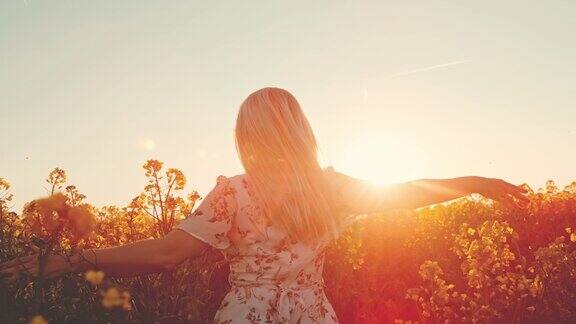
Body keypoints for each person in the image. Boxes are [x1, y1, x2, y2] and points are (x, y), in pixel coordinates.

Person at [0, 87, 528, 323]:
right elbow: (410, 192)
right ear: (302, 129)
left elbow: (166, 255)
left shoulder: (234, 191)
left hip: (245, 316)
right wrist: (477, 181)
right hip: (313, 316)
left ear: (245, 133)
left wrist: (73, 260)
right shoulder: (331, 187)